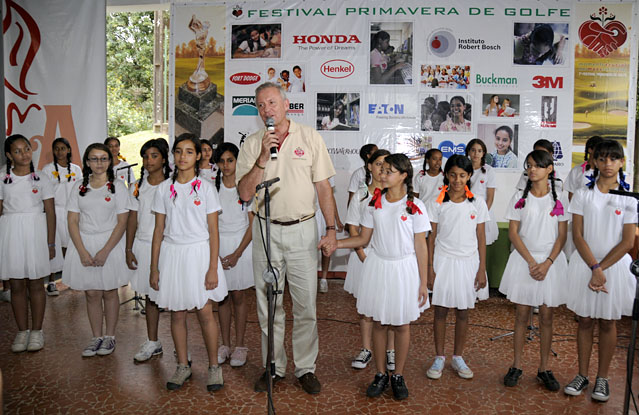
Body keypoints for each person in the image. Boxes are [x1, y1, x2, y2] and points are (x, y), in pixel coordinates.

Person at [236, 82, 337, 395]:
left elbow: (323, 188)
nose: (267, 109)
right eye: (261, 105)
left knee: (306, 306)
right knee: (269, 306)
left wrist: (332, 229)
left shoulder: (309, 137)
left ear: (286, 104)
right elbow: (243, 192)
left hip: (303, 230)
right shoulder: (253, 143)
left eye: (272, 102)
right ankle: (274, 367)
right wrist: (263, 158)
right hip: (265, 230)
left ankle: (305, 368)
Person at [324, 153, 429, 400]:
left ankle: (398, 375)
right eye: (381, 170)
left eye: (389, 171)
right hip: (379, 266)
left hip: (404, 268)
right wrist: (336, 244)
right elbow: (363, 238)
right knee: (380, 323)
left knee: (402, 324)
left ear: (404, 175)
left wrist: (423, 282)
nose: (382, 174)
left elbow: (421, 246)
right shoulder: (375, 202)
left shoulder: (415, 206)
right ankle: (380, 374)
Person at [150, 133, 228, 391]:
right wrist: (154, 267)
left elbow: (213, 231)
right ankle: (183, 365)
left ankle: (214, 367)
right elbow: (158, 230)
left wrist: (213, 267)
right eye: (178, 151)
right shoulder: (163, 189)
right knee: (177, 313)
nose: (183, 157)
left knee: (205, 312)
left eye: (189, 152)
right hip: (172, 255)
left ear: (198, 156)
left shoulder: (206, 188)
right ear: (173, 156)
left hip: (199, 255)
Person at [563, 140, 636, 402]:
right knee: (584, 320)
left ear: (621, 163)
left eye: (613, 159)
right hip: (586, 264)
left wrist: (601, 269)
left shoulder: (628, 198)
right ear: (593, 161)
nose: (607, 164)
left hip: (613, 268)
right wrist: (594, 267)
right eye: (602, 159)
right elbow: (578, 235)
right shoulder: (583, 195)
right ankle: (582, 374)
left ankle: (602, 378)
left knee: (608, 322)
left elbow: (628, 241)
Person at [499, 150, 568, 390]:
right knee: (521, 315)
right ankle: (516, 365)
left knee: (547, 317)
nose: (532, 169)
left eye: (538, 165)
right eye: (529, 165)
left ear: (550, 169)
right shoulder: (520, 196)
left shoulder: (558, 198)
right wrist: (530, 261)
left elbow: (562, 235)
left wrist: (547, 262)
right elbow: (513, 233)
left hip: (550, 263)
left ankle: (544, 368)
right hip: (524, 260)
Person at [62, 143, 130, 357]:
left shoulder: (118, 187)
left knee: (109, 291)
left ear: (110, 161)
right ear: (87, 162)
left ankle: (109, 337)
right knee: (91, 293)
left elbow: (122, 222)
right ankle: (96, 336)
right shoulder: (79, 187)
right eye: (94, 159)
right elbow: (72, 220)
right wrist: (82, 251)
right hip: (84, 244)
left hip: (110, 244)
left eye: (103, 158)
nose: (99, 163)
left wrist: (105, 251)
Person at [426, 155, 488, 380]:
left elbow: (480, 237)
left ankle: (458, 356)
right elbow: (430, 238)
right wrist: (429, 269)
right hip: (443, 261)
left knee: (463, 312)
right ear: (446, 176)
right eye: (452, 175)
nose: (457, 180)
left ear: (470, 176)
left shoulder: (477, 203)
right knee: (440, 311)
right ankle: (439, 357)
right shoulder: (437, 202)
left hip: (468, 263)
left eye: (462, 175)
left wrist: (481, 269)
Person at [1, 134, 55, 353]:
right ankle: (22, 330)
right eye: (17, 151)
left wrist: (51, 242)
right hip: (11, 231)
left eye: (26, 149)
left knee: (35, 283)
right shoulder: (3, 178)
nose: (23, 154)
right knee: (16, 284)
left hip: (35, 232)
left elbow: (50, 212)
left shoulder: (41, 178)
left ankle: (37, 331)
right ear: (9, 155)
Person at [343, 149, 396, 371]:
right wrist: (363, 254)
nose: (382, 170)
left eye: (387, 166)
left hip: (389, 259)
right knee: (365, 308)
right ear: (369, 167)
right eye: (378, 164)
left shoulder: (396, 195)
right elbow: (352, 226)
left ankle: (390, 351)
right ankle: (366, 349)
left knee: (389, 307)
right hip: (363, 256)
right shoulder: (362, 195)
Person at [126, 139, 171, 363]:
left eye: (154, 156)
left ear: (163, 158)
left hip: (169, 246)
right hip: (143, 244)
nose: (148, 161)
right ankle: (153, 341)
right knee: (150, 296)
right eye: (145, 156)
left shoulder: (172, 184)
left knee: (174, 298)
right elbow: (132, 218)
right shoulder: (137, 185)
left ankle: (181, 347)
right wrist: (128, 247)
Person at [213, 142, 255, 368]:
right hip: (218, 247)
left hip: (241, 247)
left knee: (239, 296)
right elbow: (209, 225)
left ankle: (240, 345)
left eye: (230, 160)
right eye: (222, 161)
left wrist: (237, 253)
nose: (226, 165)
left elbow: (252, 225)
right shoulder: (212, 188)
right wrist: (215, 254)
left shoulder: (245, 188)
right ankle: (225, 344)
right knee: (222, 298)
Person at [42, 137, 82, 296]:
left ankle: (71, 278)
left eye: (63, 148)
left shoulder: (76, 169)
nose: (60, 152)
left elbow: (80, 190)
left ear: (69, 150)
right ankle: (51, 281)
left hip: (72, 212)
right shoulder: (47, 169)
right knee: (55, 245)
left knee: (71, 245)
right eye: (56, 148)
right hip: (56, 211)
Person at [466, 139, 498, 246]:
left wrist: (481, 216)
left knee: (480, 244)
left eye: (479, 151)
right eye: (473, 150)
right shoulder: (463, 169)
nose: (476, 154)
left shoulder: (489, 171)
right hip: (465, 211)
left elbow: (490, 198)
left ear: (483, 153)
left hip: (482, 212)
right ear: (468, 152)